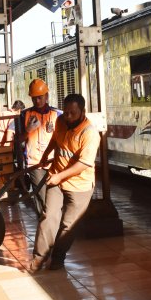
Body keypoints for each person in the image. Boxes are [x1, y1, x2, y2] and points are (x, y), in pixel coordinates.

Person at [30, 93, 100, 271]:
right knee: (49, 216)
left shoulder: (89, 133)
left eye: (73, 113)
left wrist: (59, 176)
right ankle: (39, 257)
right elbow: (55, 140)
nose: (68, 116)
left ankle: (58, 258)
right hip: (57, 177)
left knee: (68, 226)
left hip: (79, 185)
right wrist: (45, 156)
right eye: (66, 112)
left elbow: (83, 163)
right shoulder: (61, 120)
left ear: (82, 112)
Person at [20, 80, 61, 213]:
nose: (37, 101)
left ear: (47, 96)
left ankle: (51, 227)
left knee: (54, 200)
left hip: (54, 163)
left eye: (40, 97)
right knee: (43, 200)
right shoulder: (24, 115)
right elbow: (17, 141)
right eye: (34, 98)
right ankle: (46, 227)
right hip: (35, 164)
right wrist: (28, 130)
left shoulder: (57, 114)